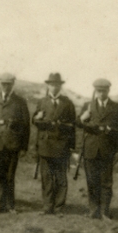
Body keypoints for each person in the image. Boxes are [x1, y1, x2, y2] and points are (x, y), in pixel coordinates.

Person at [76, 79, 118, 220]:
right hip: (90, 149)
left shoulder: (116, 107)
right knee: (92, 181)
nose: (101, 93)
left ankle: (104, 212)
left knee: (106, 182)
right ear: (95, 91)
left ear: (108, 91)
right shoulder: (88, 105)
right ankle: (93, 211)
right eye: (98, 90)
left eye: (104, 90)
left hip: (107, 149)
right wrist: (82, 118)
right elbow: (78, 123)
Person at [0, 73, 30, 214]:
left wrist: (24, 147)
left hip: (13, 143)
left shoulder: (20, 102)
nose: (6, 86)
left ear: (13, 84)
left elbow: (26, 126)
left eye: (9, 84)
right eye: (3, 84)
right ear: (0, 84)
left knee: (10, 175)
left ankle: (10, 205)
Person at [32, 73, 76, 215]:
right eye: (52, 84)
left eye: (57, 84)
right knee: (46, 177)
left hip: (62, 146)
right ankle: (47, 206)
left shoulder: (67, 103)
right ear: (48, 86)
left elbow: (72, 125)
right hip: (45, 145)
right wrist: (38, 119)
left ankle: (59, 207)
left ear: (60, 86)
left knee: (61, 178)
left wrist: (71, 146)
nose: (54, 87)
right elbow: (35, 121)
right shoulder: (42, 102)